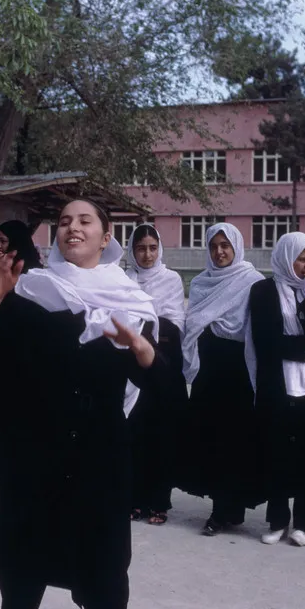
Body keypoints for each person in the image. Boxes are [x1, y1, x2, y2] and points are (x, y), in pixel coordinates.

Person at [0, 199, 165, 609]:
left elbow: (162, 387)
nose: (73, 228)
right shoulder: (31, 290)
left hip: (98, 461)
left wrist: (142, 350)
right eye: (64, 221)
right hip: (32, 456)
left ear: (106, 237)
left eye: (85, 221)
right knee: (21, 579)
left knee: (104, 583)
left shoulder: (131, 302)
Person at [248, 231, 305, 547]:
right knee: (277, 454)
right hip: (276, 385)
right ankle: (277, 520)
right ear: (287, 258)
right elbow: (266, 341)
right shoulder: (263, 291)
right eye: (301, 259)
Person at [178, 223, 265, 536]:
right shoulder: (202, 282)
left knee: (237, 441)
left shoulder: (252, 281)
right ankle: (220, 509)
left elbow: (257, 330)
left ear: (237, 246)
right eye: (214, 245)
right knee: (211, 439)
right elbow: (193, 324)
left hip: (239, 369)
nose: (220, 251)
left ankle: (229, 510)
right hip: (210, 369)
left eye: (225, 245)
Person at [124, 224, 187, 526]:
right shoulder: (124, 280)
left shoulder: (170, 279)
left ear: (159, 248)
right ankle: (134, 500)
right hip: (131, 371)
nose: (147, 254)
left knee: (161, 437)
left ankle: (159, 502)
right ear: (132, 251)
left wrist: (145, 328)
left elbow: (174, 322)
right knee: (134, 435)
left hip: (163, 367)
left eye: (152, 248)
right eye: (140, 248)